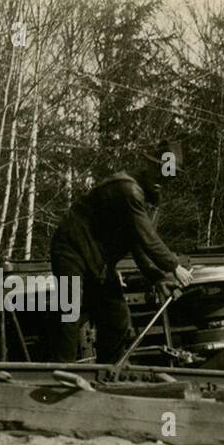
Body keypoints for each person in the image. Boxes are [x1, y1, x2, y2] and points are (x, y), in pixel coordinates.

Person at [42, 140, 194, 363]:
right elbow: (148, 239)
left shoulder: (149, 200)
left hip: (99, 260)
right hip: (71, 249)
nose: (163, 180)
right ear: (149, 166)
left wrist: (157, 278)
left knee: (116, 317)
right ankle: (60, 372)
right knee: (70, 309)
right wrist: (174, 266)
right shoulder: (128, 190)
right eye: (161, 172)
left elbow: (137, 242)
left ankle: (107, 372)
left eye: (168, 176)